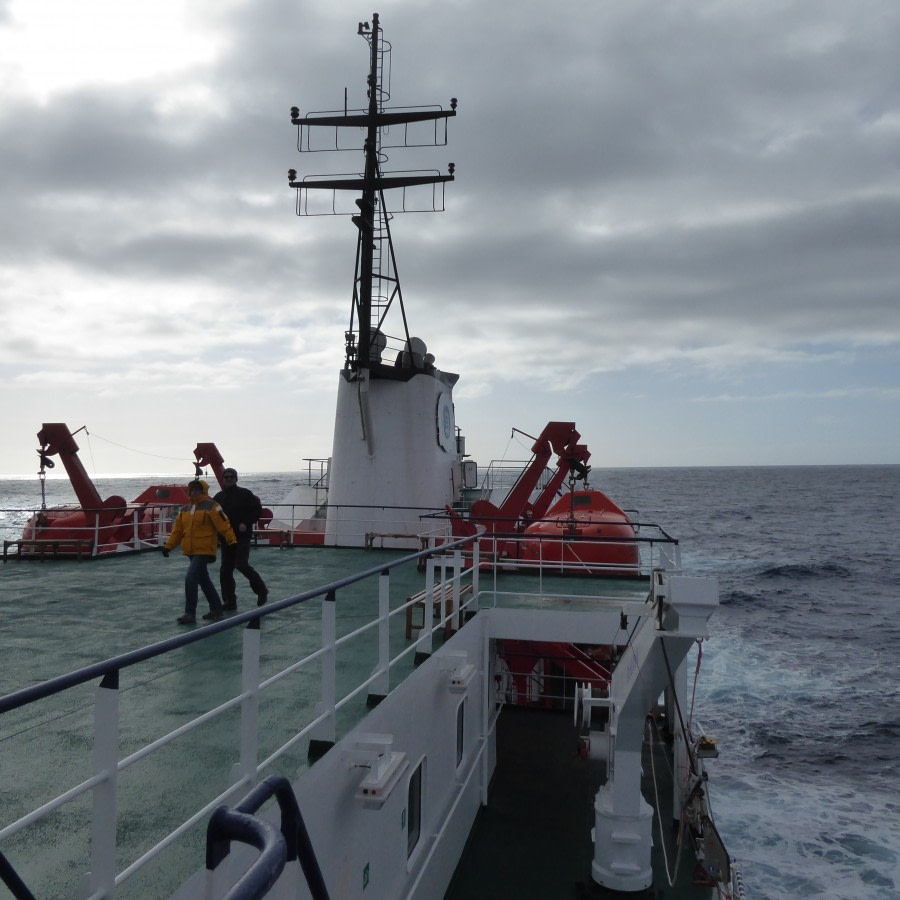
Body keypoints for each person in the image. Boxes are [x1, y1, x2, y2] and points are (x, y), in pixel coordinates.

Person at [163, 479, 237, 625]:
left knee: (191, 578)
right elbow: (178, 531)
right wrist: (169, 546)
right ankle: (216, 609)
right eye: (192, 489)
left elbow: (224, 525)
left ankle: (190, 613)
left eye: (197, 489)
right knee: (204, 580)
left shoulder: (212, 506)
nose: (194, 492)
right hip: (191, 550)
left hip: (204, 549)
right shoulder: (185, 509)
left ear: (203, 491)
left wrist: (232, 541)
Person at [213, 467, 268, 610]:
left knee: (241, 565)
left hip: (242, 537)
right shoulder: (218, 498)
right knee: (225, 570)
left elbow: (257, 510)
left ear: (236, 479)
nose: (229, 479)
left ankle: (262, 591)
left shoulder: (245, 494)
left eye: (231, 476)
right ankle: (230, 601)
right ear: (223, 479)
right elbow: (212, 516)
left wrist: (246, 522)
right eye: (226, 477)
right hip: (226, 539)